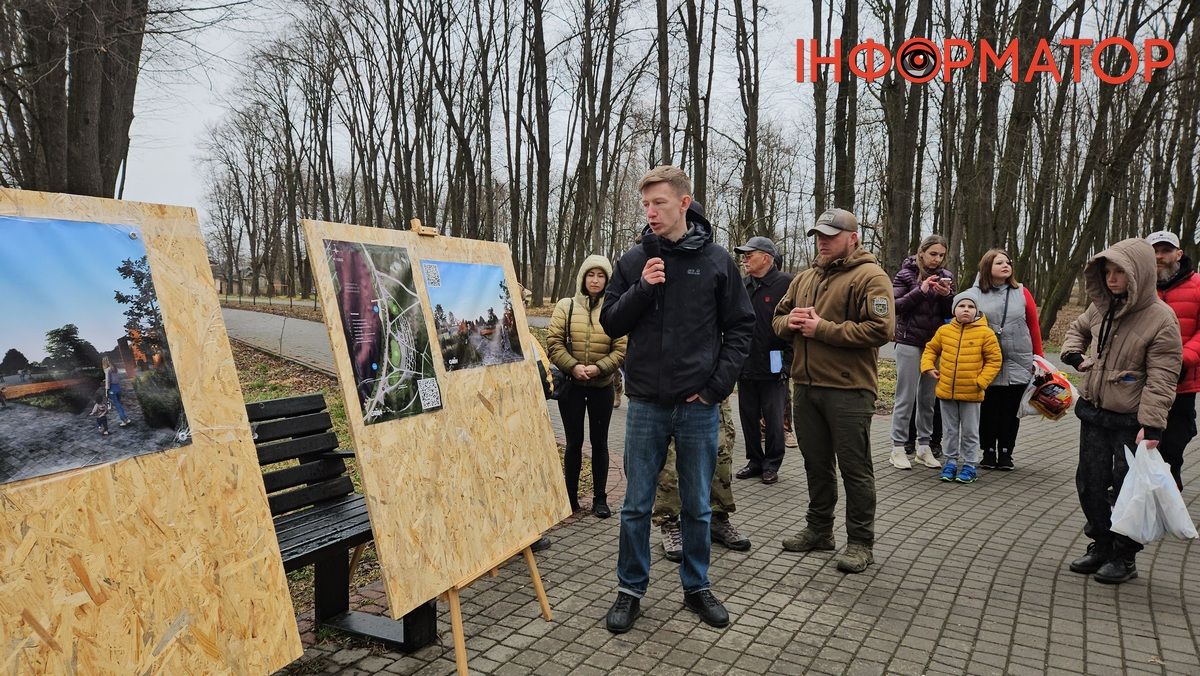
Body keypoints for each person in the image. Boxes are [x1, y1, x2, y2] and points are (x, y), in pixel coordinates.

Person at [599, 165, 753, 633]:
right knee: (636, 506)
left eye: (659, 202)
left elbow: (741, 328)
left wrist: (713, 388)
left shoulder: (717, 261)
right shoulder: (632, 261)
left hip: (697, 406)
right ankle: (629, 591)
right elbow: (610, 322)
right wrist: (644, 287)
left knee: (698, 506)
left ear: (684, 203)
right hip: (645, 403)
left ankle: (697, 586)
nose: (650, 212)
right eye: (645, 204)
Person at [772, 207, 894, 574]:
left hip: (848, 389)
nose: (822, 242)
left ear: (852, 238)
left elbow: (881, 330)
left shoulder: (871, 276)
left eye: (830, 235)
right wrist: (788, 322)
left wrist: (823, 329)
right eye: (819, 236)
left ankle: (860, 541)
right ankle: (819, 529)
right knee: (816, 464)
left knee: (855, 468)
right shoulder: (805, 277)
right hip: (806, 386)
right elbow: (777, 319)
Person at [1061, 238, 1181, 585]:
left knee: (1126, 488)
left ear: (1139, 274)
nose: (1112, 279)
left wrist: (1153, 426)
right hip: (1095, 412)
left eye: (1120, 272)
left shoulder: (1161, 318)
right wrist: (1072, 355)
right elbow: (1076, 330)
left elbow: (1163, 376)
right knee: (1090, 483)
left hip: (1131, 419)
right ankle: (1100, 543)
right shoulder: (1100, 307)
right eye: (1107, 272)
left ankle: (1124, 555)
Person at [546, 254, 627, 517]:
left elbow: (621, 348)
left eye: (601, 275)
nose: (595, 280)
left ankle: (600, 499)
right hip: (572, 387)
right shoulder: (566, 306)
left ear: (607, 279)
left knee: (600, 443)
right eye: (591, 274)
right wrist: (573, 366)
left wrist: (599, 368)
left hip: (602, 387)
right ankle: (570, 498)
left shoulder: (615, 308)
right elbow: (554, 342)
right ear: (583, 277)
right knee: (573, 444)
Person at [971, 249, 1045, 470]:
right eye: (999, 262)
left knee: (1010, 410)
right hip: (987, 361)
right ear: (987, 268)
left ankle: (1006, 452)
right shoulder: (974, 294)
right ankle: (988, 451)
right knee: (988, 408)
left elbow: (1033, 326)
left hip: (1018, 359)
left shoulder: (1022, 292)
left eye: (1008, 262)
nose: (1005, 265)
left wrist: (1038, 357)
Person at [920, 289, 1002, 484]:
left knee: (970, 431)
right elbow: (931, 349)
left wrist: (981, 382)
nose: (966, 310)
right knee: (949, 430)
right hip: (946, 390)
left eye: (971, 306)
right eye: (962, 306)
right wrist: (928, 367)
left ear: (977, 311)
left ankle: (970, 465)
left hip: (972, 393)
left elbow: (994, 360)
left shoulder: (986, 333)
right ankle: (950, 462)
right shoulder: (944, 331)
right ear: (954, 309)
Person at [655, 398, 749, 562]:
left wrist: (720, 384)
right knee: (669, 465)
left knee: (721, 458)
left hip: (713, 398)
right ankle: (669, 523)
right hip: (672, 397)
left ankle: (717, 518)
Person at [733, 235, 794, 484]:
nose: (745, 259)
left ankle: (772, 463)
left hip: (775, 358)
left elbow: (794, 325)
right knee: (747, 414)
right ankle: (755, 461)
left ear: (766, 258)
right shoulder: (742, 285)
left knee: (773, 415)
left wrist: (787, 363)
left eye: (750, 254)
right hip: (745, 360)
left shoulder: (787, 283)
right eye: (744, 255)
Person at [889, 234, 953, 470]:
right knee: (905, 397)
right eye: (933, 254)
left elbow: (952, 311)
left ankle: (924, 447)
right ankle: (897, 447)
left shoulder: (947, 277)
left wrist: (948, 296)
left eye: (941, 255)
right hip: (908, 341)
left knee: (928, 398)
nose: (937, 259)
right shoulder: (905, 274)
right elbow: (895, 306)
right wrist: (921, 290)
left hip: (935, 345)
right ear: (922, 252)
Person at [1149, 230, 1200, 490]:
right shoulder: (1139, 287)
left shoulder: (1198, 285)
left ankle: (1170, 486)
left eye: (1165, 250)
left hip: (1182, 381)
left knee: (1174, 439)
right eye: (1154, 251)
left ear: (1178, 254)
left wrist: (1184, 360)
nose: (1159, 256)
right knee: (1142, 436)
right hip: (1143, 382)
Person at [102, 357, 132, 427]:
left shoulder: (107, 370)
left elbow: (108, 381)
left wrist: (106, 391)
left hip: (112, 389)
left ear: (104, 363)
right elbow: (115, 379)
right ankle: (126, 419)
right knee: (119, 405)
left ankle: (124, 421)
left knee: (117, 405)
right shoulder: (115, 369)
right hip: (117, 388)